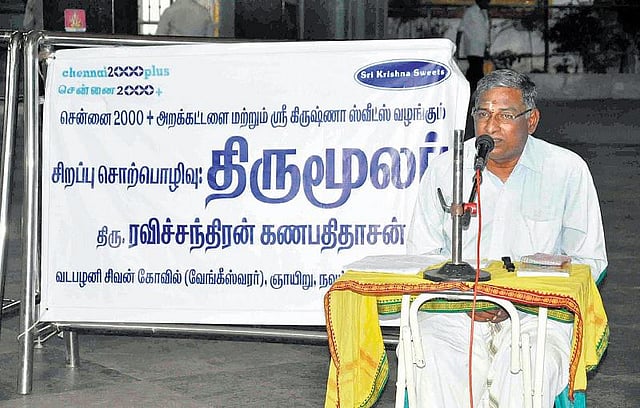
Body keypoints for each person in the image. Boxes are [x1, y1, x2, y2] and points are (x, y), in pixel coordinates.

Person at [406, 69, 607, 407]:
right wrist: (462, 297)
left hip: (537, 312)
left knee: (527, 370)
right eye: (483, 114)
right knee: (432, 358)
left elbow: (589, 261)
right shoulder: (446, 169)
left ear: (532, 120)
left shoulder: (567, 170)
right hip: (456, 309)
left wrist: (519, 298)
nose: (491, 126)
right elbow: (422, 254)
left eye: (506, 115)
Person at [456, 0, 491, 96]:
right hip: (472, 47)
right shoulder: (470, 12)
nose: (487, 3)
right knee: (476, 72)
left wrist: (487, 47)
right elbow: (460, 29)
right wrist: (457, 48)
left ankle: (469, 93)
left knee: (475, 73)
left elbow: (485, 31)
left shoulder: (484, 13)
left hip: (481, 49)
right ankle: (471, 93)